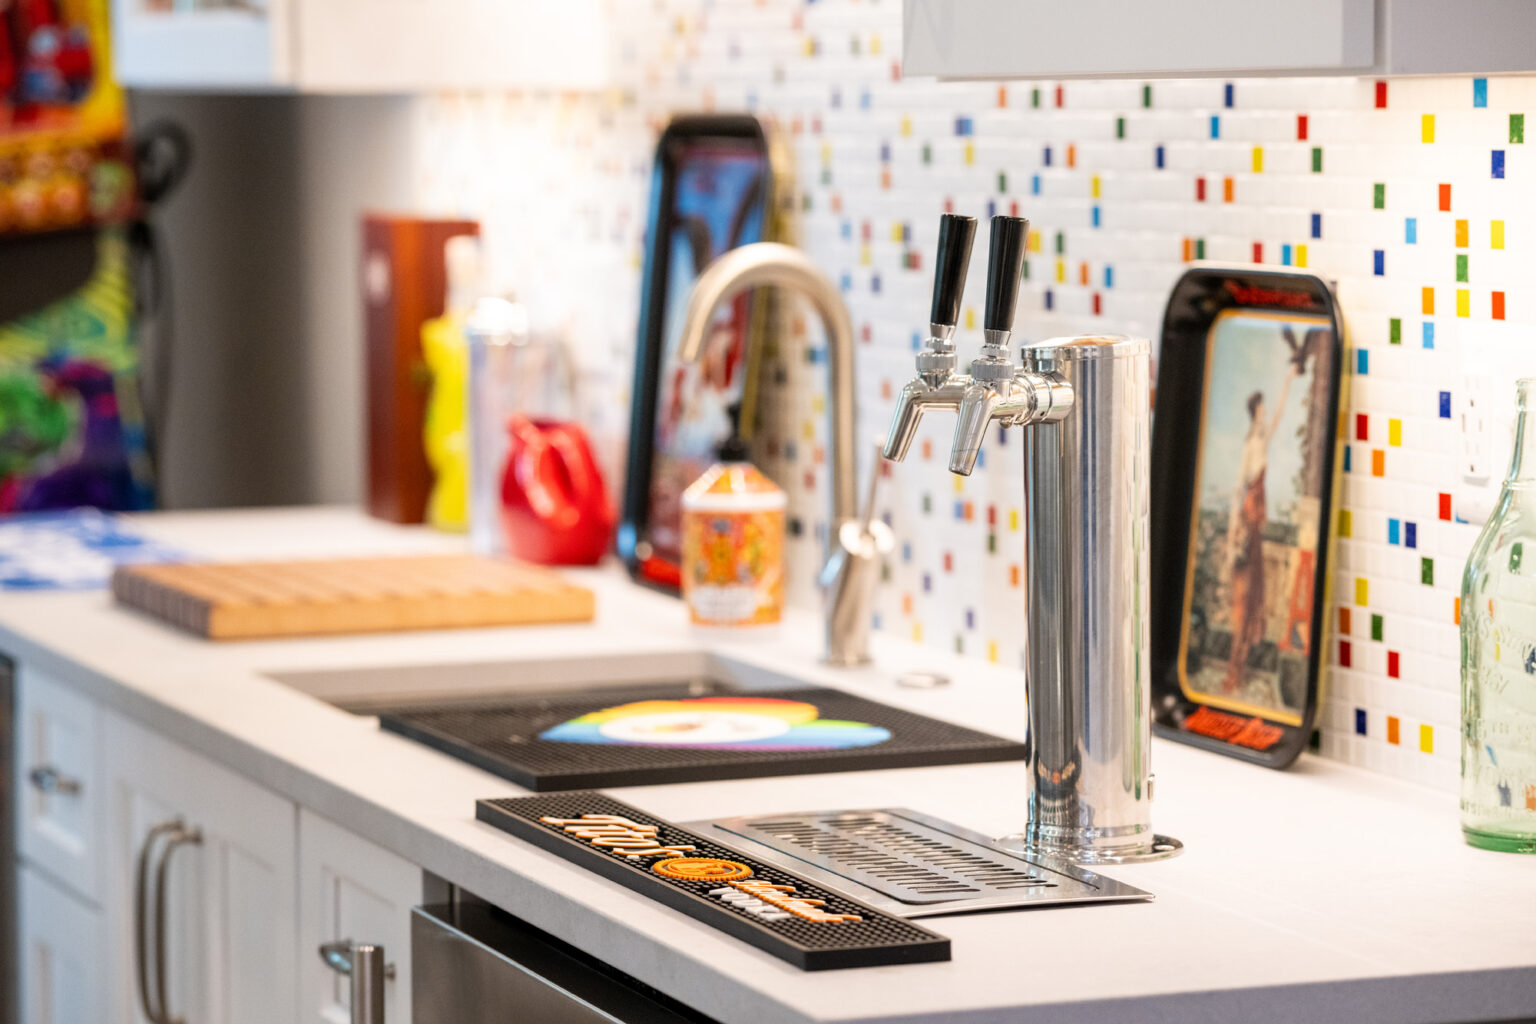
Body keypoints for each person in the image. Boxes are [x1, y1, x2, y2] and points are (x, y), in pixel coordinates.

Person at [1223, 357, 1302, 694]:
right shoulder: (1250, 446)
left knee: (1254, 598)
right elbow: (1238, 490)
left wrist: (1287, 379)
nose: (1267, 415)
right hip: (1247, 525)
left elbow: (1282, 412)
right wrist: (1230, 538)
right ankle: (1234, 671)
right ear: (1256, 412)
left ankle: (1239, 667)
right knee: (1244, 599)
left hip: (1254, 528)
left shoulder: (1261, 439)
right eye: (1263, 411)